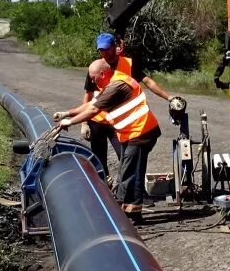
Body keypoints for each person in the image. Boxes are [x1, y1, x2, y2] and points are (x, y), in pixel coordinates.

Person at [55, 57, 161, 216]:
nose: (91, 80)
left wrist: (69, 122)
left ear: (103, 74)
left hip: (141, 132)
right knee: (130, 170)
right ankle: (131, 209)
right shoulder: (112, 82)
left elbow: (93, 111)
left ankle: (130, 210)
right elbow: (91, 104)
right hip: (132, 133)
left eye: (93, 77)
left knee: (129, 172)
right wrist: (67, 113)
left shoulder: (116, 86)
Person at [81, 32, 174, 174]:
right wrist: (84, 123)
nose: (104, 52)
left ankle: (129, 188)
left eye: (106, 48)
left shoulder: (128, 64)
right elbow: (88, 94)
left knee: (125, 157)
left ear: (114, 46)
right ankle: (105, 188)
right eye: (101, 50)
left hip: (117, 122)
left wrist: (169, 97)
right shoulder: (96, 68)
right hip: (97, 121)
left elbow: (147, 81)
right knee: (99, 160)